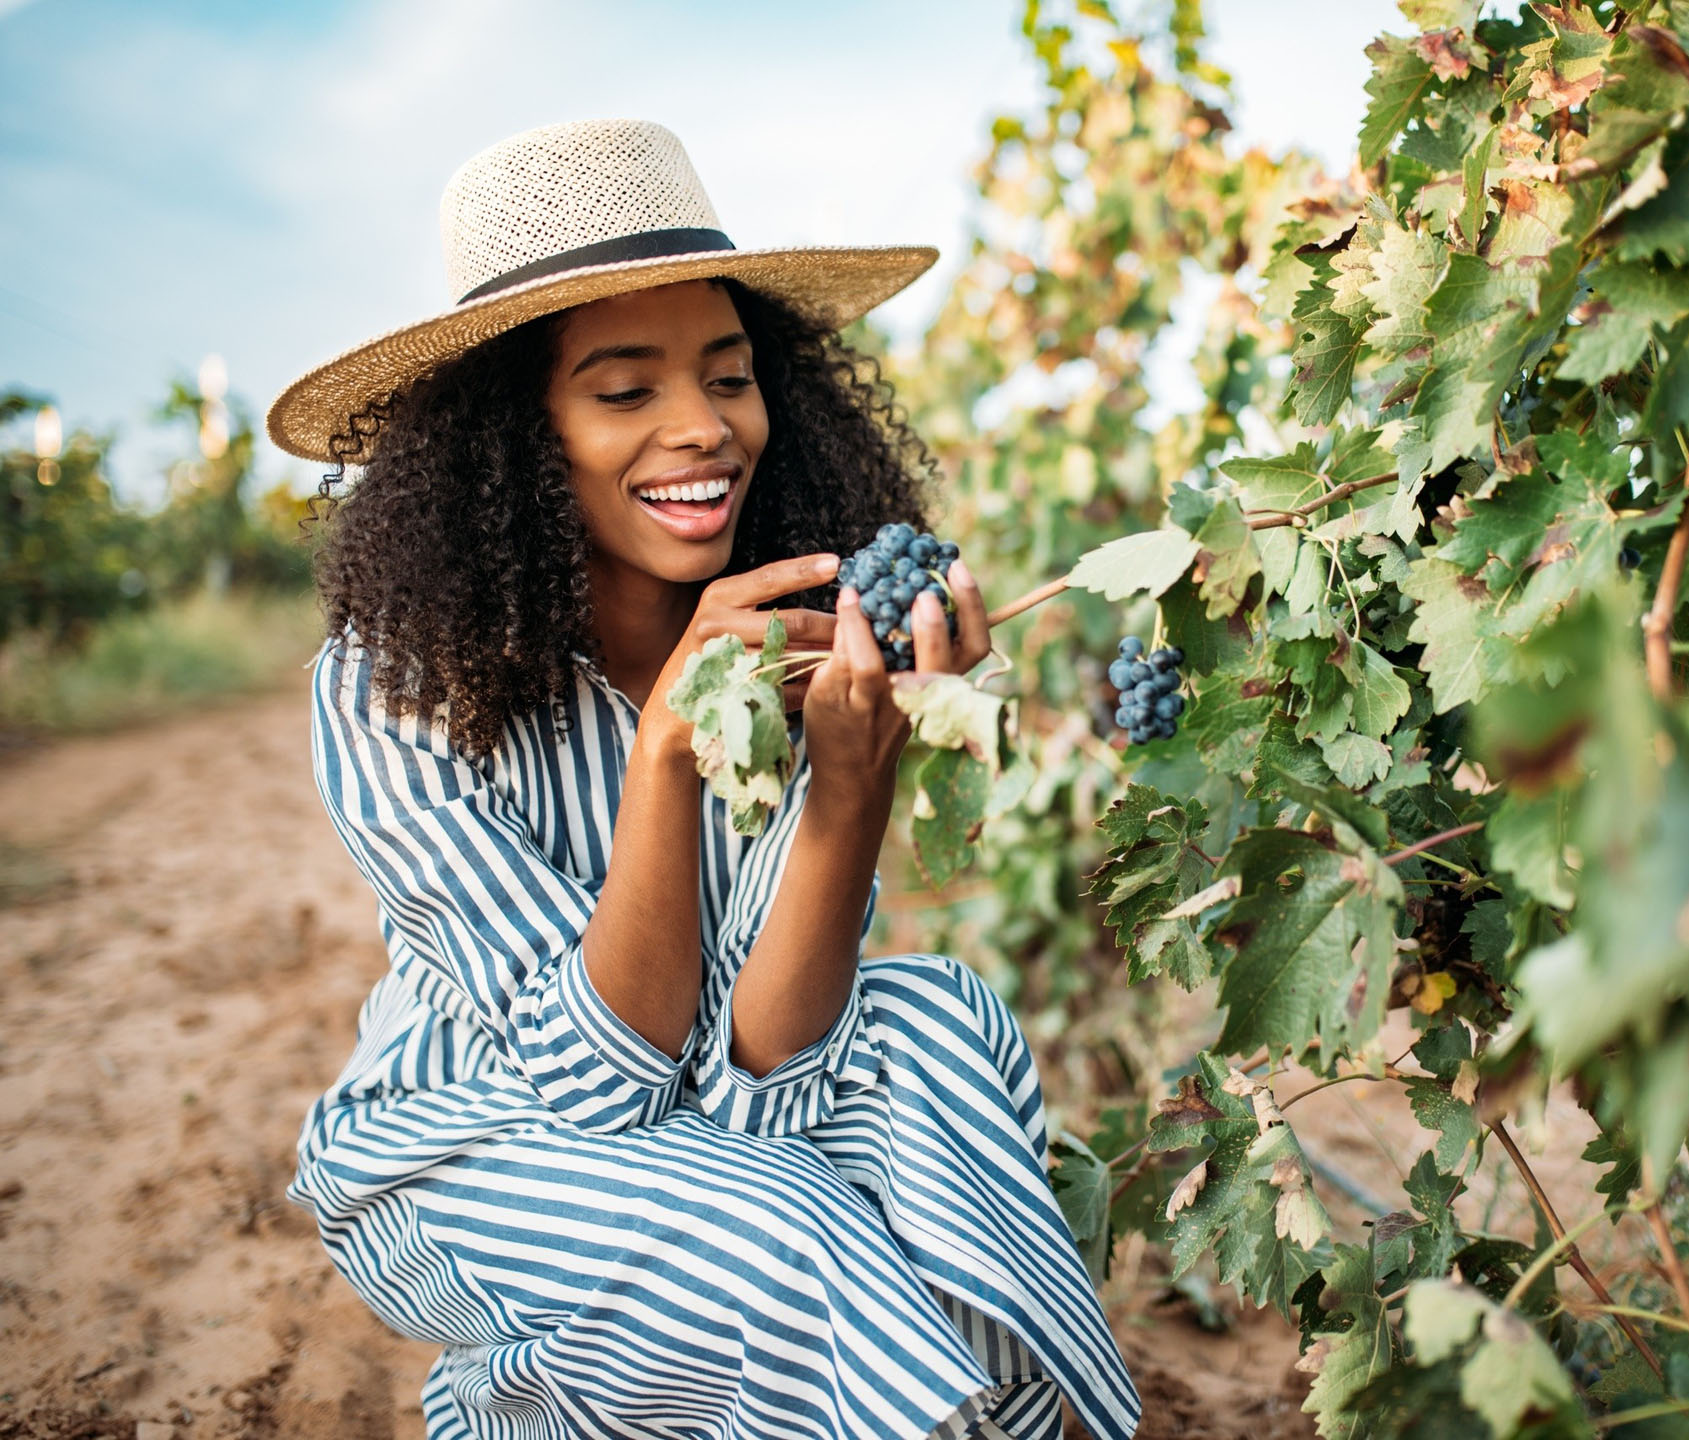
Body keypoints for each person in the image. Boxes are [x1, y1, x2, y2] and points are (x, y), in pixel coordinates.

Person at [265, 118, 1141, 1440]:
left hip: (716, 1109)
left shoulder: (798, 654)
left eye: (729, 378)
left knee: (941, 1033)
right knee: (788, 1235)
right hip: (469, 1148)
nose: (702, 429)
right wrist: (666, 756)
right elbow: (604, 1088)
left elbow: (764, 1081)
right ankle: (536, 1393)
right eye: (625, 392)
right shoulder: (397, 684)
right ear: (515, 435)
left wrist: (851, 791)